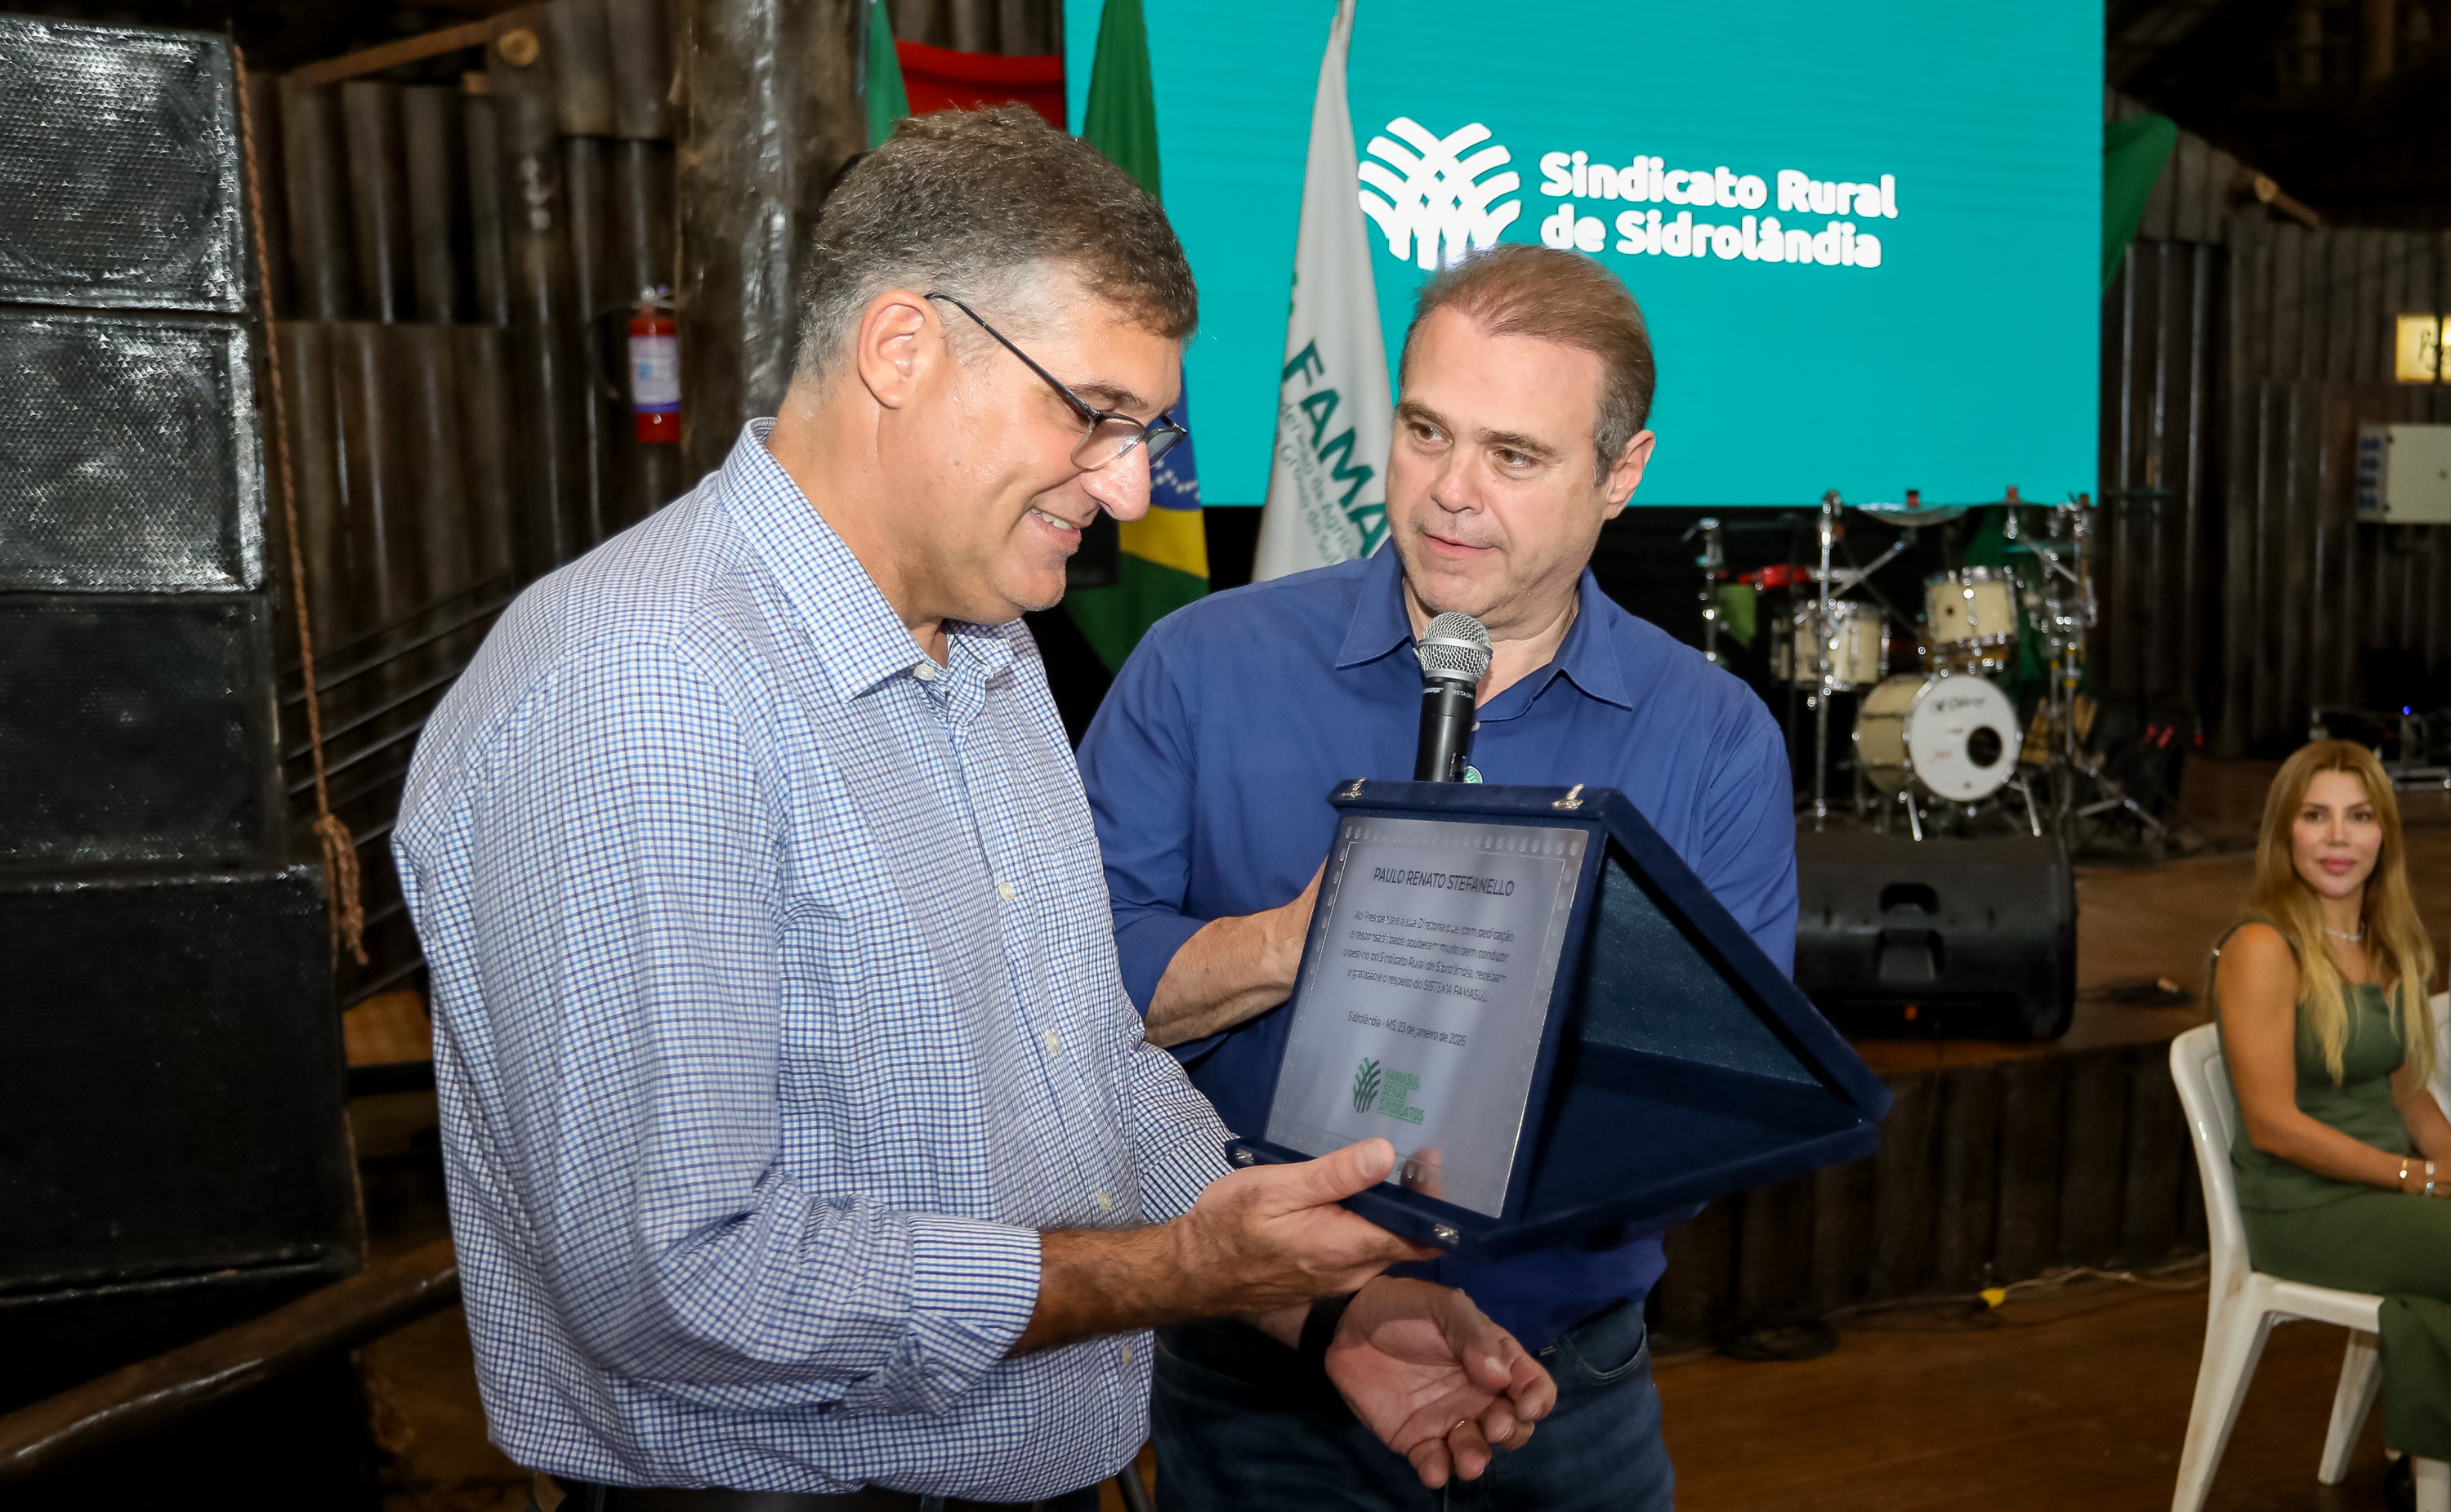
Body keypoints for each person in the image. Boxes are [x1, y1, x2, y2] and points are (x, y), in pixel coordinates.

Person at [395, 107, 1556, 1512]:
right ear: (902, 348)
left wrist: (1318, 1303)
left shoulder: (992, 651)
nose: (1131, 485)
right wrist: (1173, 1274)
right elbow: (680, 1281)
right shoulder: (649, 685)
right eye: (1095, 415)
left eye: (1144, 431)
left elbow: (1086, 1068)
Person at [1076, 243, 1795, 1511]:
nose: (1451, 493)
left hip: (1564, 1387)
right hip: (1259, 1389)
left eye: (1514, 455)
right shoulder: (1201, 668)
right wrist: (1298, 940)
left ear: (1621, 473)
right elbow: (1056, 1006)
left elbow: (1719, 1098)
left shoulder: (1714, 737)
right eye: (1425, 432)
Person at [2213, 739, 2451, 1510]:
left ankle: (2425, 1471)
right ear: (2285, 831)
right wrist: (2417, 1179)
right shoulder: (2261, 947)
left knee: (2433, 1301)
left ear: (2386, 834)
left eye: (2360, 817)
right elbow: (2273, 1126)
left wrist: (2448, 1164)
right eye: (2316, 816)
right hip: (2304, 1206)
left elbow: (2410, 1097)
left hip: (2385, 1191)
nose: (2339, 838)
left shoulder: (2389, 942)